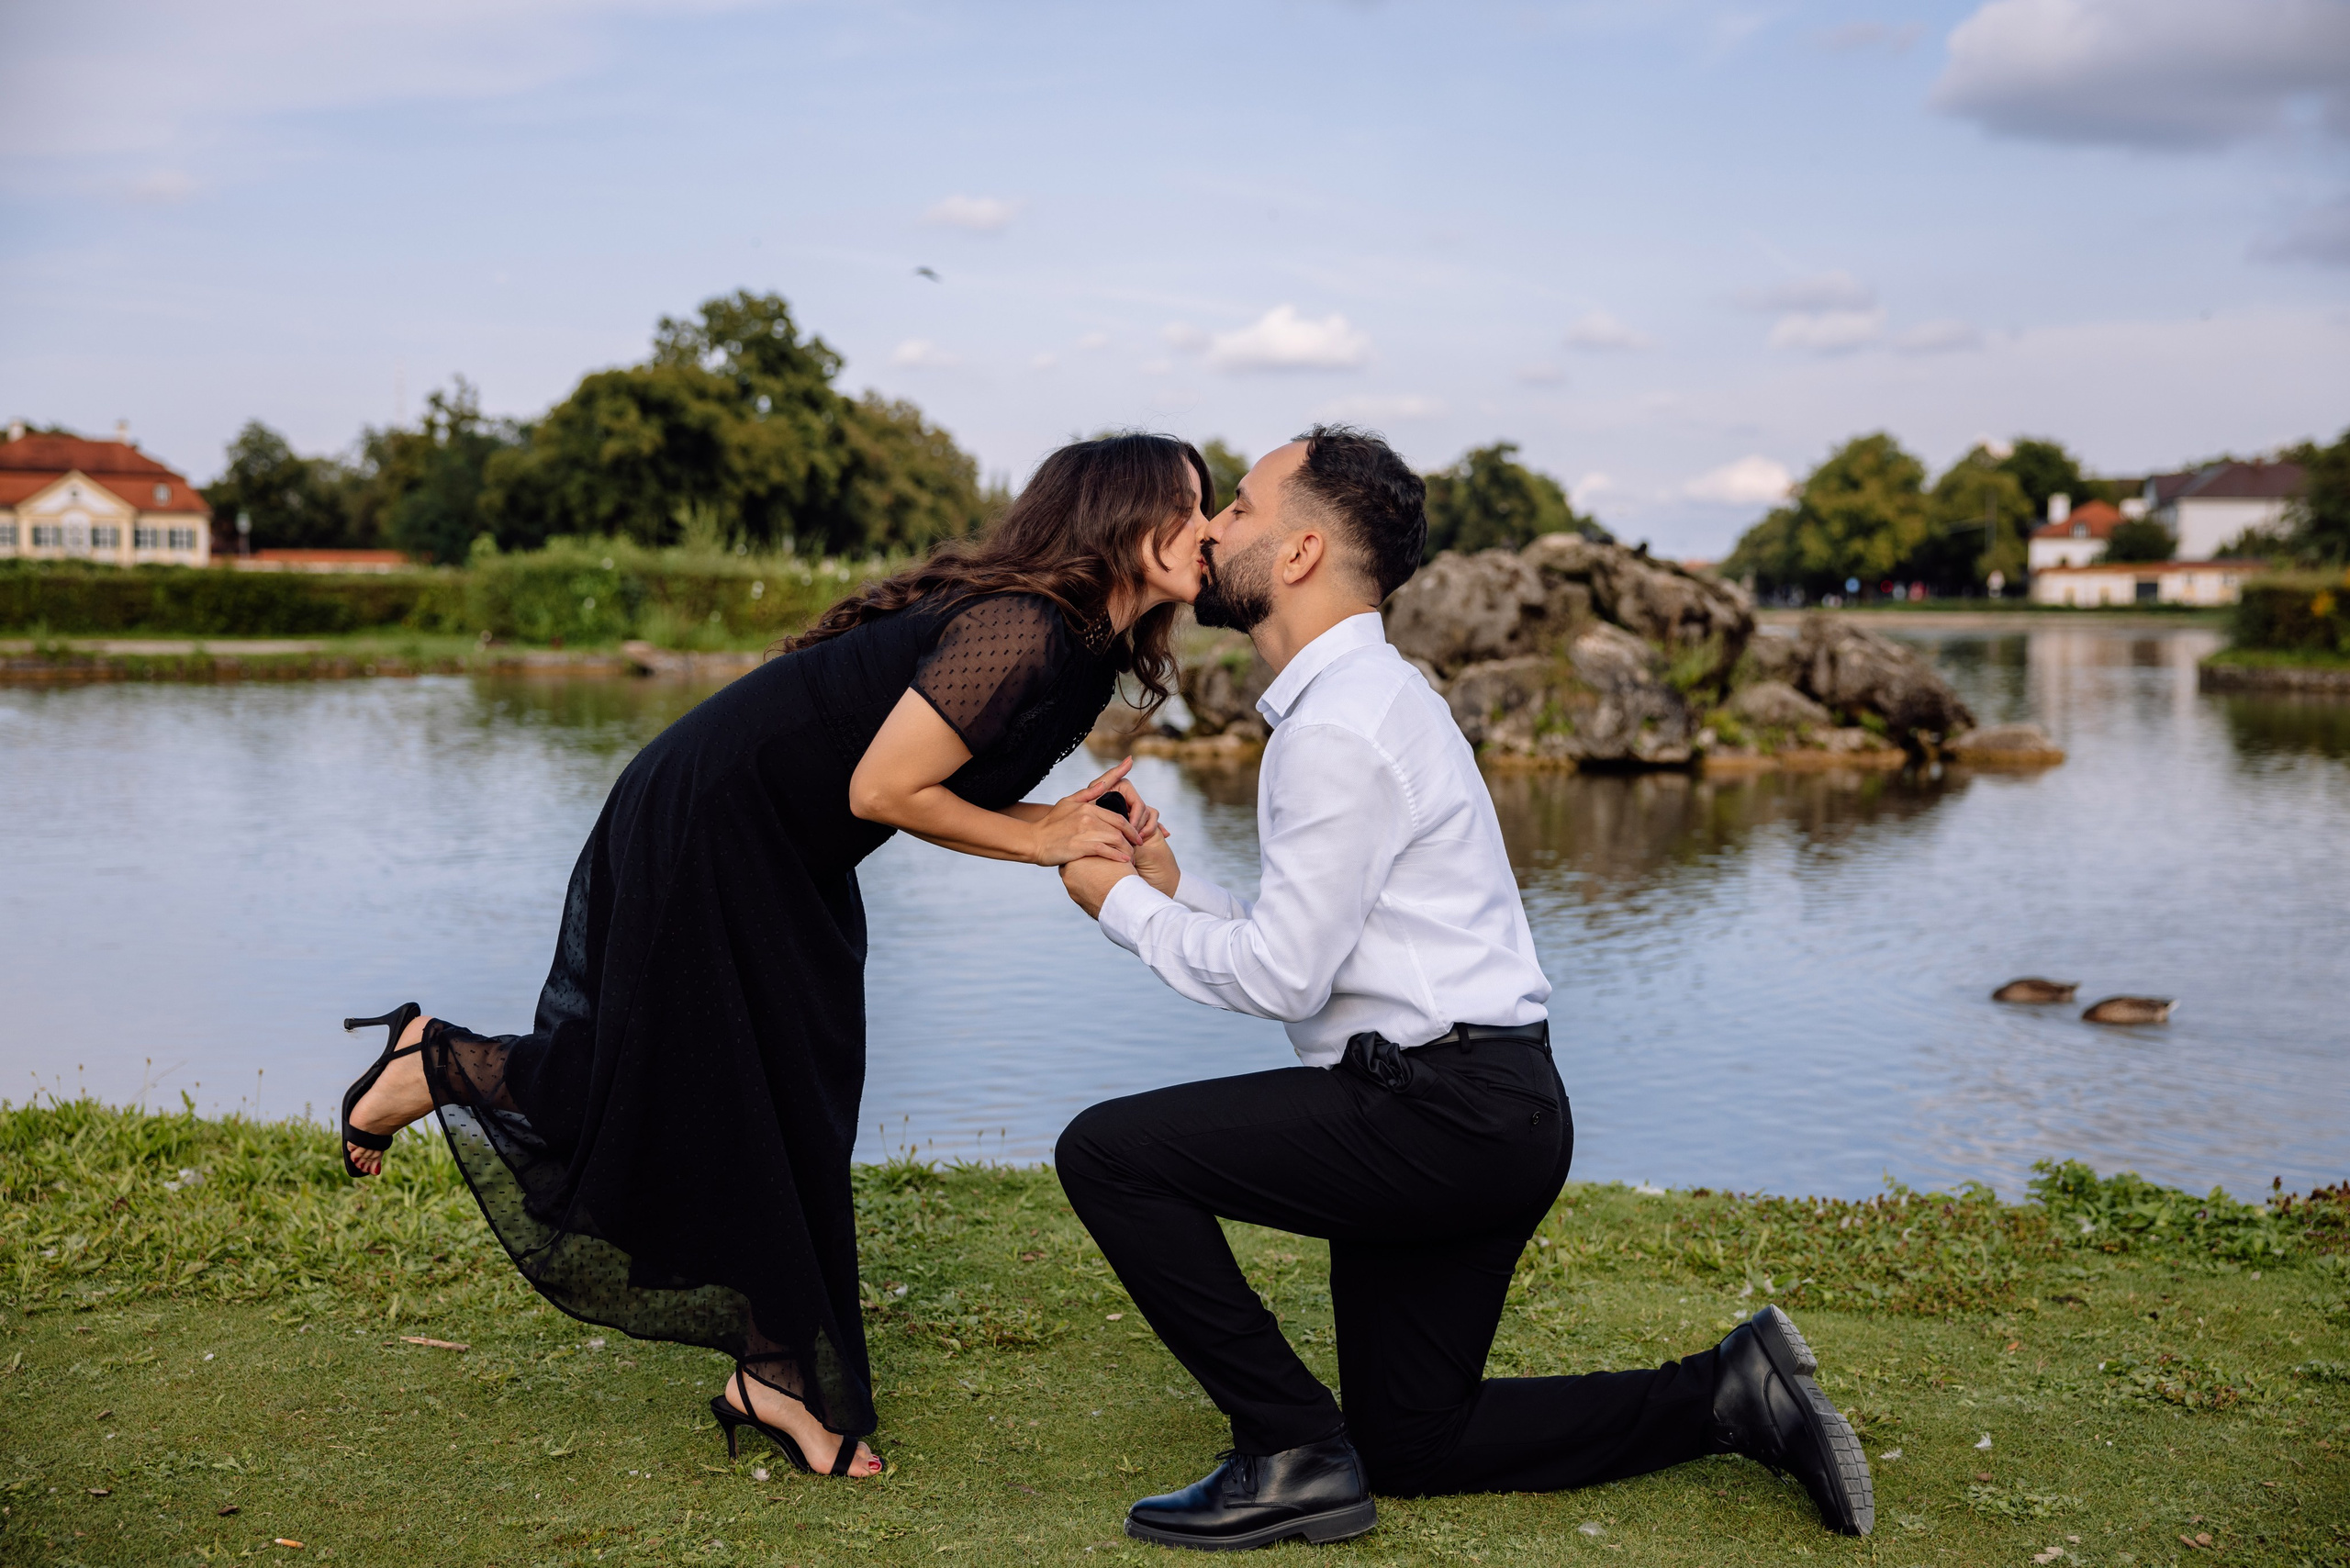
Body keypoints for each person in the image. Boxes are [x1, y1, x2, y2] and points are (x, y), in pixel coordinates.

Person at [1055, 426, 1873, 1551]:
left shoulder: (1339, 727)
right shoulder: (1371, 698)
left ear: (1298, 552)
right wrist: (1170, 885)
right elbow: (1319, 951)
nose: (1210, 528)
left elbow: (1283, 975)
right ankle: (1728, 1392)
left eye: (1237, 506)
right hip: (1485, 1106)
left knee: (1108, 1154)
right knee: (1412, 1440)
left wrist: (1115, 904)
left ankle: (1289, 1450)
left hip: (1439, 1114)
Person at [332, 432, 1208, 1481]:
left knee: (793, 1098)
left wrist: (1065, 825)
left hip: (788, 846)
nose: (1209, 529)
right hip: (713, 822)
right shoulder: (1024, 626)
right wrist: (1043, 839)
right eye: (1189, 506)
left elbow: (920, 783)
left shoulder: (1083, 649)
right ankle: (434, 1063)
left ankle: (774, 1373)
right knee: (674, 1085)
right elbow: (884, 789)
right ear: (1119, 516)